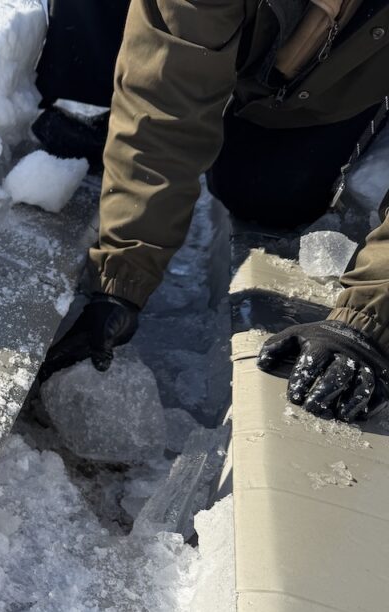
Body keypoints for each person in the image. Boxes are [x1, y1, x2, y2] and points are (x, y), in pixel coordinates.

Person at [36, 0, 389, 422]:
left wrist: (368, 318)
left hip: (339, 72)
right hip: (249, 35)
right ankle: (90, 93)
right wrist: (122, 278)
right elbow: (166, 98)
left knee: (265, 194)